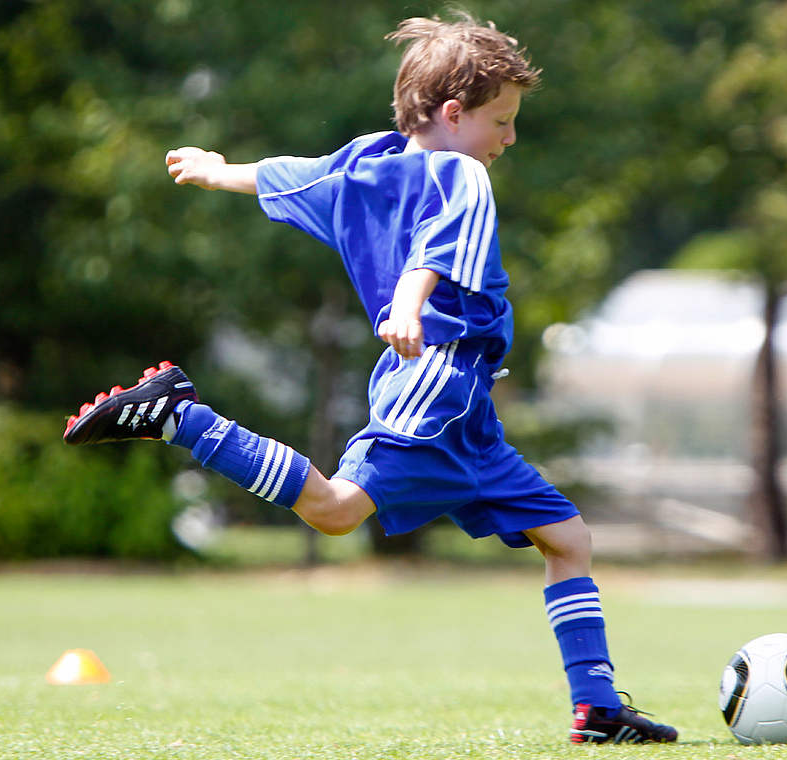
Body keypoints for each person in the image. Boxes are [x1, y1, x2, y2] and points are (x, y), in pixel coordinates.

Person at [63, 12, 677, 745]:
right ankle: (181, 416)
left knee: (567, 537)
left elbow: (289, 174)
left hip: (461, 405)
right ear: (454, 115)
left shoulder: (362, 165)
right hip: (436, 374)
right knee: (336, 509)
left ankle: (598, 708)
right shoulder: (464, 175)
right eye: (502, 121)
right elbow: (435, 250)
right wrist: (411, 308)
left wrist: (216, 170)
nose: (509, 138)